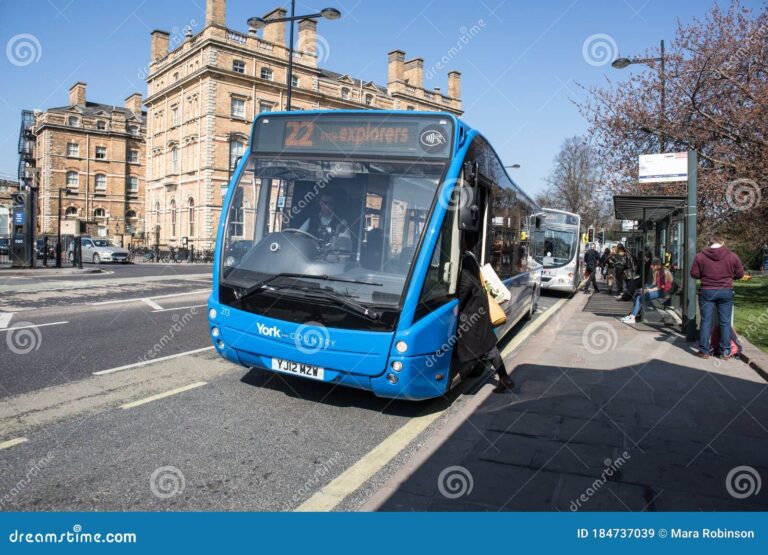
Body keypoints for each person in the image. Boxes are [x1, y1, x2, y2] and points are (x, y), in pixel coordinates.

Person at [455, 242, 515, 393]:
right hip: (477, 306)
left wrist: (457, 303)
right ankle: (505, 378)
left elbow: (466, 285)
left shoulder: (465, 260)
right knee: (488, 346)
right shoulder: (470, 257)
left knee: (473, 343)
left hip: (472, 309)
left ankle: (466, 370)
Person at [690, 234, 745, 359]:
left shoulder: (700, 256)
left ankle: (704, 351)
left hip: (707, 291)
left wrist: (705, 275)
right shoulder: (732, 256)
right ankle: (725, 352)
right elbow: (740, 274)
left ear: (709, 243)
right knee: (725, 322)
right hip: (726, 291)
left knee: (706, 321)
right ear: (723, 242)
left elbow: (694, 274)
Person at [620, 258, 673, 324]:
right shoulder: (659, 271)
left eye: (653, 265)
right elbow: (655, 284)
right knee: (637, 295)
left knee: (640, 297)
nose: (651, 267)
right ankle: (632, 315)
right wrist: (646, 289)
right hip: (661, 291)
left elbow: (659, 287)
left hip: (662, 292)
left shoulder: (661, 272)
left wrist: (648, 290)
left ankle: (633, 317)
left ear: (657, 265)